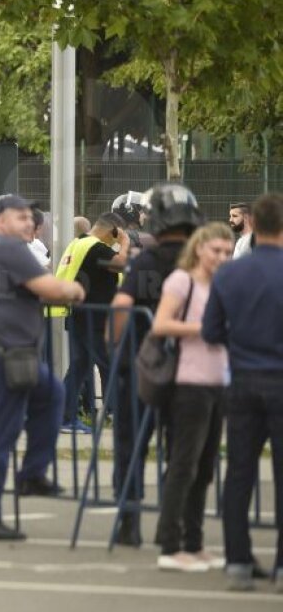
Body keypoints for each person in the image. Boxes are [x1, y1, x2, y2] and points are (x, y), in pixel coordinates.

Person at [0, 194, 85, 541]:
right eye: (19, 217)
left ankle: (32, 474)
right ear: (1, 221)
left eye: (30, 217)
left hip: (0, 350)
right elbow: (51, 288)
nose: (29, 222)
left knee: (51, 393)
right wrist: (74, 288)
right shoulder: (8, 248)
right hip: (0, 353)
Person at [109, 183, 204, 546]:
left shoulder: (145, 260)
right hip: (189, 366)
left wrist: (116, 347)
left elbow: (120, 306)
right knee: (181, 446)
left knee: (131, 441)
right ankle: (176, 521)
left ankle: (129, 520)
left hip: (141, 364)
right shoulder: (198, 262)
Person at [203, 193, 283, 591]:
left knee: (239, 472)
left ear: (256, 224)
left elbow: (211, 331)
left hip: (243, 379)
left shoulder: (230, 274)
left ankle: (237, 559)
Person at [149, 222, 233, 573]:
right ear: (199, 248)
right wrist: (205, 329)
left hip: (219, 381)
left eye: (228, 252)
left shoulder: (223, 285)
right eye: (216, 251)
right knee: (183, 464)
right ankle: (170, 543)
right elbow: (160, 324)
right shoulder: (181, 281)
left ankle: (194, 543)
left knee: (204, 468)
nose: (222, 258)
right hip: (188, 382)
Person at [55, 212, 129, 433]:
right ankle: (121, 416)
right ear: (113, 231)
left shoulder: (78, 243)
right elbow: (121, 264)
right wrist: (124, 243)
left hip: (79, 314)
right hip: (93, 318)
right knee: (111, 364)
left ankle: (64, 417)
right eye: (116, 236)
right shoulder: (95, 246)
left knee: (79, 367)